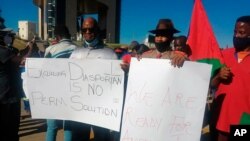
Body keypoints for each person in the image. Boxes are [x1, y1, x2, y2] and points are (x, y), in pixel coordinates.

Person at [70, 17, 117, 141]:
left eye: (90, 29)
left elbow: (115, 82)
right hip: (79, 107)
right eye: (84, 30)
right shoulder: (75, 53)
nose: (87, 32)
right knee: (78, 138)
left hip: (101, 108)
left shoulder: (110, 54)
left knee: (101, 138)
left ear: (97, 30)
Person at [210, 15, 250, 141]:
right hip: (220, 120)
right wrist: (218, 76)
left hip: (244, 122)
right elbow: (211, 85)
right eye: (235, 32)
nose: (236, 36)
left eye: (241, 33)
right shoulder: (222, 55)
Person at [44, 25, 77, 141]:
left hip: (53, 93)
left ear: (57, 37)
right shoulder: (78, 49)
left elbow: (43, 71)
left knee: (52, 127)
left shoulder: (50, 50)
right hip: (72, 93)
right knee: (68, 125)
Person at [0, 19, 24, 141]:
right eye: (6, 35)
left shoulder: (8, 51)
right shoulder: (3, 52)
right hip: (7, 97)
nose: (9, 38)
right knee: (10, 130)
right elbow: (21, 61)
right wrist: (29, 47)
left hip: (8, 95)